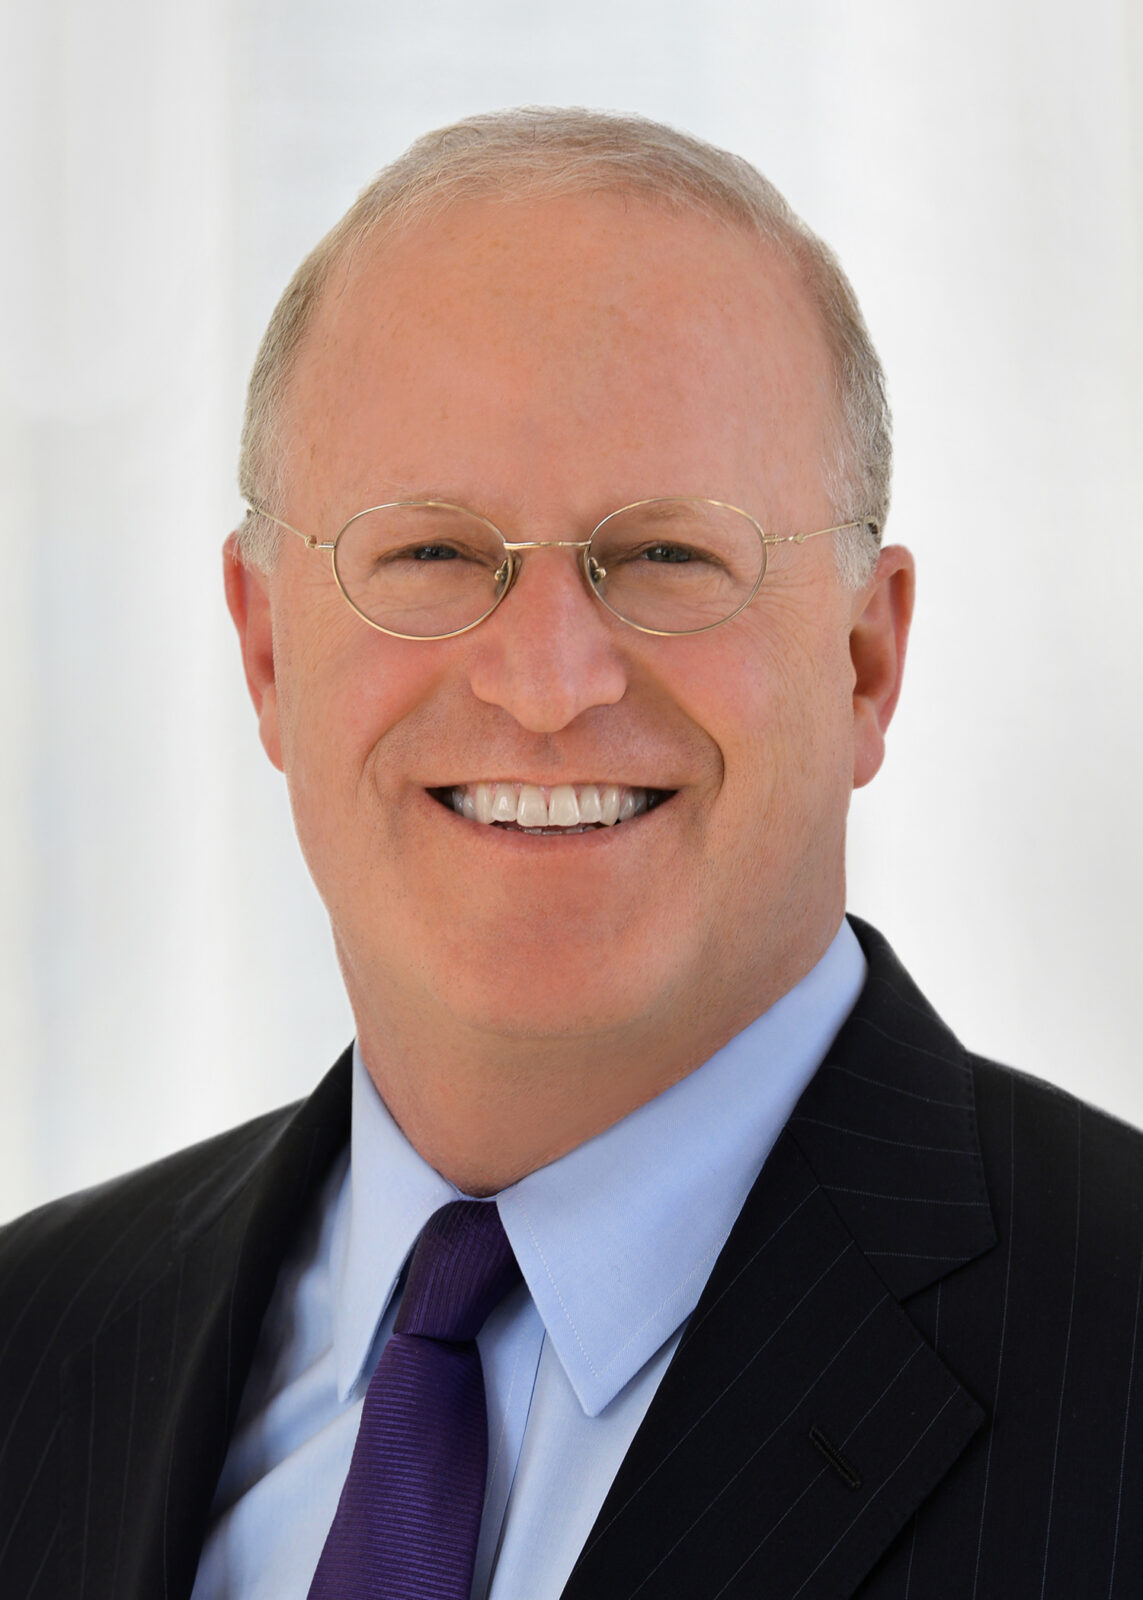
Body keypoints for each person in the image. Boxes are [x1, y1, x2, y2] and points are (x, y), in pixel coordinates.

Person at [1, 107, 1140, 1600]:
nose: (546, 684)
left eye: (668, 554)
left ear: (865, 662)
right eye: (430, 554)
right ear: (269, 653)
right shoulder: (34, 1348)